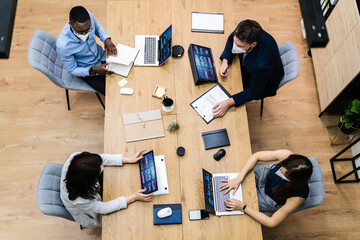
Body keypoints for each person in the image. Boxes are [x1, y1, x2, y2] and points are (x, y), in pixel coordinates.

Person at [60, 150, 154, 228]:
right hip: (88, 212)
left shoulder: (76, 158)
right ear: (90, 180)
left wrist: (129, 160)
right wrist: (133, 197)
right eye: (99, 168)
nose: (101, 166)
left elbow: (101, 158)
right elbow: (104, 208)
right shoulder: (79, 200)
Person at [220, 149, 313, 228]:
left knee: (235, 202)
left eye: (283, 173)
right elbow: (256, 156)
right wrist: (239, 178)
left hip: (269, 198)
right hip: (265, 175)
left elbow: (271, 222)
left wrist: (244, 207)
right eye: (281, 167)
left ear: (293, 180)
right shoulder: (287, 156)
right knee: (233, 175)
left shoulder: (298, 197)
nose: (280, 170)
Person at [212, 19, 284, 118]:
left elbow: (254, 92)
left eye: (239, 46)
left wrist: (228, 103)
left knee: (231, 88)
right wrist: (225, 61)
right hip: (251, 66)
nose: (235, 46)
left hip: (262, 82)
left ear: (253, 44)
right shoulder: (246, 32)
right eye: (235, 42)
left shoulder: (262, 65)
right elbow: (231, 38)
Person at [56, 6, 118, 96]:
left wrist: (106, 39)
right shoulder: (63, 45)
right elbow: (72, 69)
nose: (85, 34)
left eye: (88, 30)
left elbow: (98, 28)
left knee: (124, 74)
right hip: (88, 70)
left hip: (101, 55)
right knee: (112, 93)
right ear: (70, 24)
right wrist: (93, 70)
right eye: (80, 32)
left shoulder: (88, 16)